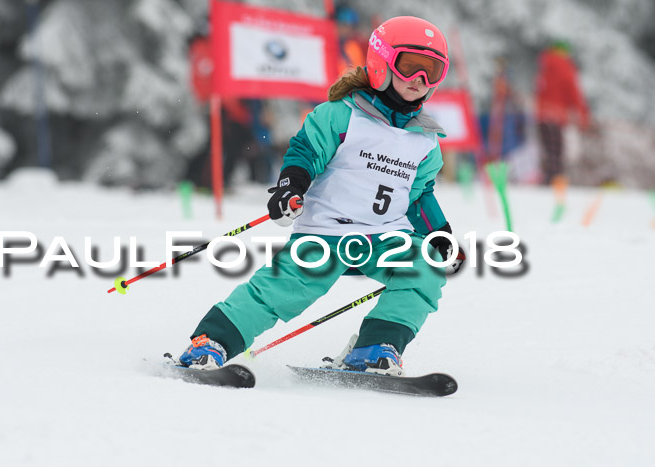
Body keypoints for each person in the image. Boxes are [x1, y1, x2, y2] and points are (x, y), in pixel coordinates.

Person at [178, 16, 464, 376]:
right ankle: (212, 342)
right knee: (286, 289)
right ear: (381, 62)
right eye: (410, 67)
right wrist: (290, 188)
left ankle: (375, 349)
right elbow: (305, 153)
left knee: (423, 270)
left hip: (386, 237)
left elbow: (419, 195)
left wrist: (440, 235)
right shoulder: (341, 116)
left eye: (432, 71)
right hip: (327, 233)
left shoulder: (426, 141)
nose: (420, 81)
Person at [535, 41, 590, 185]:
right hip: (556, 116)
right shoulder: (565, 67)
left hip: (542, 116)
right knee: (557, 152)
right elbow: (574, 93)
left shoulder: (545, 66)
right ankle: (555, 182)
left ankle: (548, 178)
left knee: (548, 151)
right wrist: (583, 115)